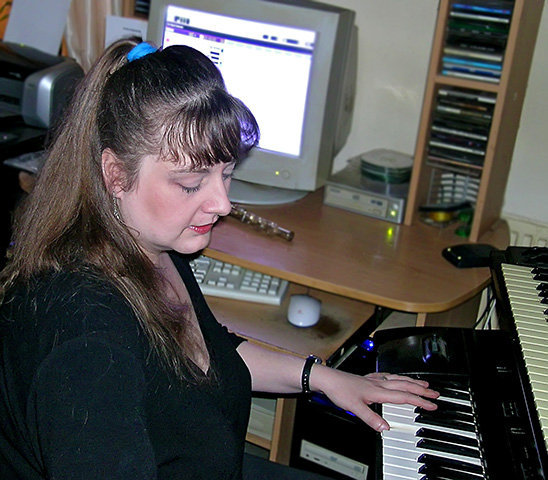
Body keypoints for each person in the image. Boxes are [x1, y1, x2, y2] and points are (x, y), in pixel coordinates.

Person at [0, 37, 439, 479]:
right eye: (191, 183)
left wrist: (323, 377)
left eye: (226, 173)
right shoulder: (86, 341)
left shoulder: (149, 245)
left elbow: (205, 355)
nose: (222, 204)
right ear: (115, 174)